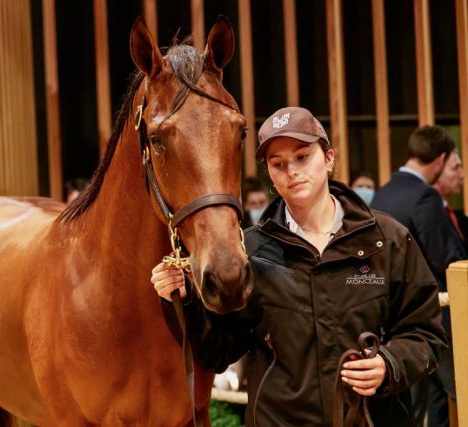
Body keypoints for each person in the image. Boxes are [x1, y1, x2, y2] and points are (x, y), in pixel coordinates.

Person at [151, 107, 446, 426]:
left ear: (329, 158)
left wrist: (389, 364)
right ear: (271, 175)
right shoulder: (248, 251)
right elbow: (217, 353)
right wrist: (186, 299)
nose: (291, 171)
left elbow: (426, 334)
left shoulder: (388, 239)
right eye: (278, 164)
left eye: (302, 157)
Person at [371, 126, 466, 427]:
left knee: (425, 406)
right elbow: (447, 259)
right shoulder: (424, 196)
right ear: (439, 160)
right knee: (460, 396)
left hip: (391, 317)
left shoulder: (381, 194)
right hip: (437, 318)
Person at [432, 150, 468, 250]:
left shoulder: (457, 216)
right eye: (456, 168)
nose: (462, 175)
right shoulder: (429, 213)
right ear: (437, 169)